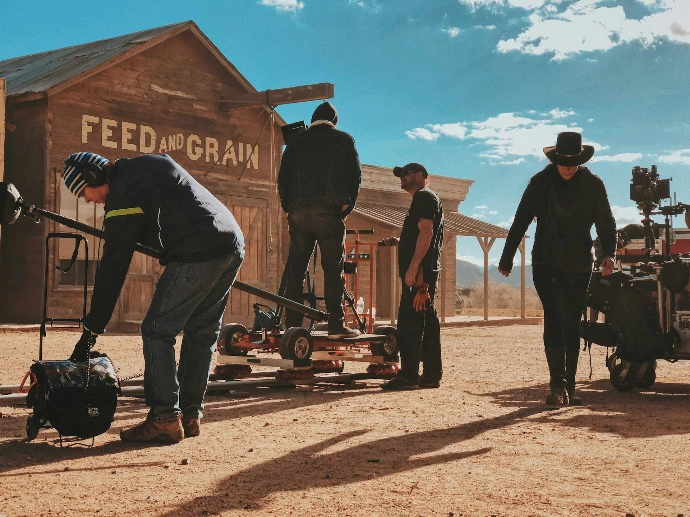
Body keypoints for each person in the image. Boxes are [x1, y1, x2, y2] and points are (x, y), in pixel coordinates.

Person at [63, 151, 244, 443]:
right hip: (231, 241)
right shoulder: (144, 169)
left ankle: (164, 418)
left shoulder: (124, 192)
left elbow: (113, 265)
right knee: (201, 332)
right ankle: (189, 413)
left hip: (199, 248)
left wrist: (91, 330)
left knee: (157, 330)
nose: (87, 200)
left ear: (93, 176)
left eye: (83, 191)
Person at [498, 132, 616, 406]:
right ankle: (556, 386)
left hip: (579, 262)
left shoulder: (593, 184)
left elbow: (605, 222)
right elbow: (521, 220)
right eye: (563, 161)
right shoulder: (540, 183)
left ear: (580, 160)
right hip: (545, 260)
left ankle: (570, 386)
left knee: (572, 320)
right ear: (555, 159)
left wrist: (608, 254)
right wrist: (506, 258)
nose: (567, 167)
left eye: (572, 162)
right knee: (553, 315)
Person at [278, 101, 362, 337]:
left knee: (296, 269)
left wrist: (289, 207)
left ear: (313, 118)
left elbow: (282, 179)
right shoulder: (344, 140)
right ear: (334, 121)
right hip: (328, 212)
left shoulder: (295, 143)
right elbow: (354, 177)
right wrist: (345, 207)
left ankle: (292, 324)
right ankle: (335, 323)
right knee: (332, 269)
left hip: (298, 212)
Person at [381, 162, 444, 390]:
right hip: (424, 272)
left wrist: (414, 268)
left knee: (410, 324)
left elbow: (426, 233)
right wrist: (401, 241)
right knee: (427, 324)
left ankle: (409, 376)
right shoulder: (426, 198)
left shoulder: (424, 197)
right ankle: (431, 375)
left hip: (420, 274)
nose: (402, 179)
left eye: (406, 175)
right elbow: (422, 234)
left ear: (420, 175)